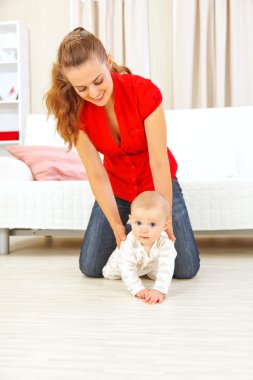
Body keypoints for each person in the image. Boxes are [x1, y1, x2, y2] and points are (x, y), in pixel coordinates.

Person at [45, 27, 200, 280]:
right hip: (117, 189)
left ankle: (145, 254)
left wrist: (164, 218)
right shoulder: (75, 113)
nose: (93, 94)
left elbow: (159, 162)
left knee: (186, 269)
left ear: (108, 61)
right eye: (81, 88)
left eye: (98, 81)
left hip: (155, 185)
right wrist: (118, 225)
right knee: (91, 266)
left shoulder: (144, 91)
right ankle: (138, 255)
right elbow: (96, 173)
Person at [102, 191, 177, 304]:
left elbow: (166, 266)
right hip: (119, 268)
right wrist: (138, 288)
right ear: (131, 220)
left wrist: (159, 290)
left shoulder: (165, 242)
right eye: (138, 223)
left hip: (147, 267)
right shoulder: (129, 243)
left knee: (163, 271)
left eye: (152, 224)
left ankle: (146, 272)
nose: (144, 230)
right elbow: (127, 268)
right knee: (109, 273)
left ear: (165, 225)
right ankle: (137, 272)